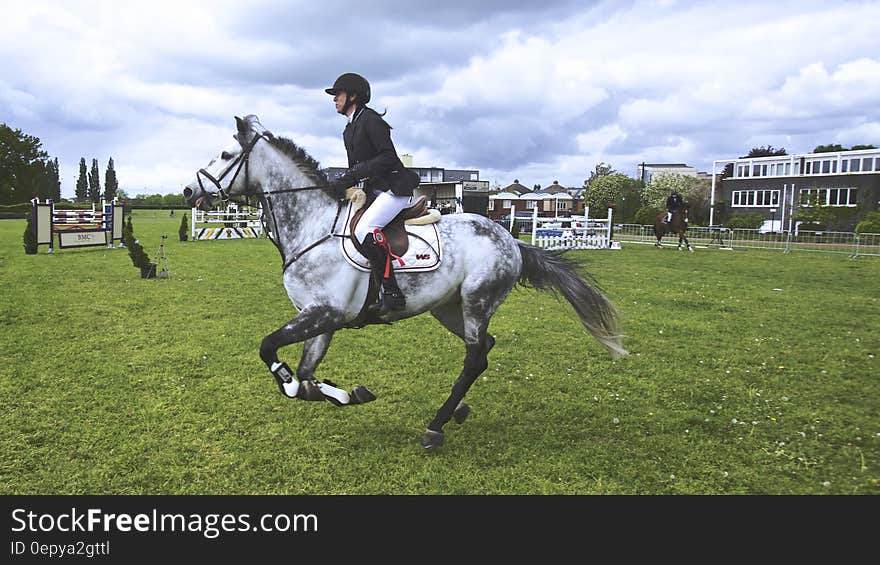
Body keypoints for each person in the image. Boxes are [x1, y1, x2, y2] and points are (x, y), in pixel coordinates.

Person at [325, 73, 419, 313]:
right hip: (374, 191)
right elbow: (353, 169)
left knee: (364, 229)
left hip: (394, 189)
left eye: (338, 94)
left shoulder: (371, 120)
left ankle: (391, 291)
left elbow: (388, 157)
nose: (334, 99)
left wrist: (353, 175)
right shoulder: (349, 129)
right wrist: (341, 186)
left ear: (353, 96)